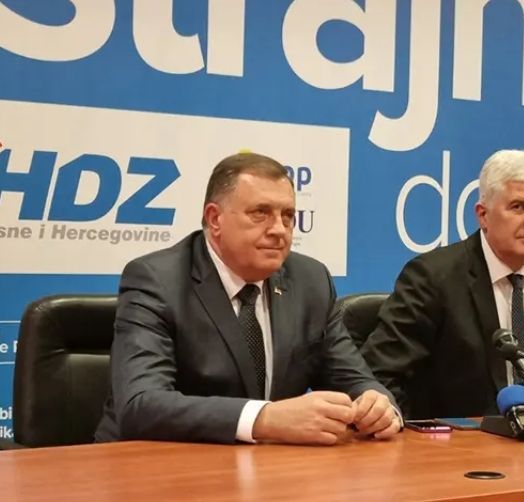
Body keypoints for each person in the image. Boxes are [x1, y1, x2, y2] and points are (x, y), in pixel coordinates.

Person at [95, 152, 400, 444]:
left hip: (266, 467)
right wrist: (264, 419)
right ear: (215, 218)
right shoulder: (157, 281)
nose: (279, 229)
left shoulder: (311, 281)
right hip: (153, 465)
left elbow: (355, 380)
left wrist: (377, 404)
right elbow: (141, 404)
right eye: (260, 213)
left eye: (288, 216)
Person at [360, 149, 524, 418]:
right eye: (518, 207)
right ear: (483, 215)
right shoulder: (432, 277)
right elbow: (378, 376)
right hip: (463, 439)